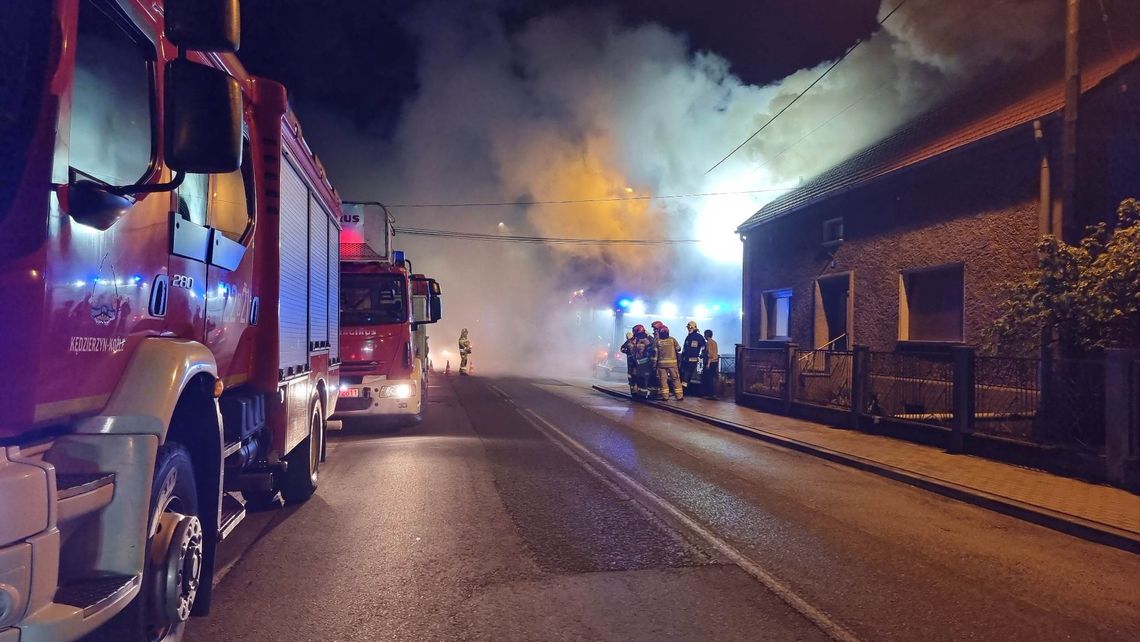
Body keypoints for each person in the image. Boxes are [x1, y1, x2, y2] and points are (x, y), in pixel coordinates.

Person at [655, 325, 683, 401]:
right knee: (676, 379)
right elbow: (678, 349)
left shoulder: (657, 341)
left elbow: (655, 354)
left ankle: (665, 397)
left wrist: (654, 364)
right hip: (673, 364)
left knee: (663, 380)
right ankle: (679, 396)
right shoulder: (672, 340)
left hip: (661, 365)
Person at [680, 320, 706, 392]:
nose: (688, 329)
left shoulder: (699, 337)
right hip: (685, 360)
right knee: (684, 375)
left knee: (687, 375)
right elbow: (685, 348)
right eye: (688, 328)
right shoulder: (688, 337)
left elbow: (704, 347)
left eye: (689, 328)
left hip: (692, 360)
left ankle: (684, 390)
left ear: (694, 328)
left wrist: (702, 355)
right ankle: (684, 390)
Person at [630, 324, 655, 398]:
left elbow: (650, 350)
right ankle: (640, 394)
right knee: (638, 378)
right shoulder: (636, 339)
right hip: (638, 362)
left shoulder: (646, 339)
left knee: (643, 379)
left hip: (644, 363)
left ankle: (643, 395)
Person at [700, 329, 720, 399]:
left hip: (710, 362)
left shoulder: (708, 343)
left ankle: (710, 394)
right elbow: (715, 353)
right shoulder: (714, 342)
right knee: (712, 378)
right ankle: (713, 394)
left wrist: (708, 364)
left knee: (708, 379)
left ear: (706, 335)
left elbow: (710, 354)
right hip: (715, 361)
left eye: (704, 334)